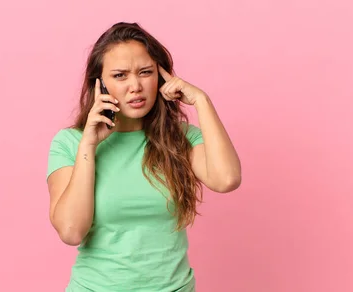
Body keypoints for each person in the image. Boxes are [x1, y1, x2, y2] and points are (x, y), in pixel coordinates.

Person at [46, 22, 241, 292]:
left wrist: (201, 100)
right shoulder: (70, 143)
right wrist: (88, 145)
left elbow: (227, 179)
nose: (135, 86)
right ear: (99, 84)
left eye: (145, 72)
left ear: (161, 78)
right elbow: (70, 231)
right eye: (120, 75)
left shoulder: (181, 139)